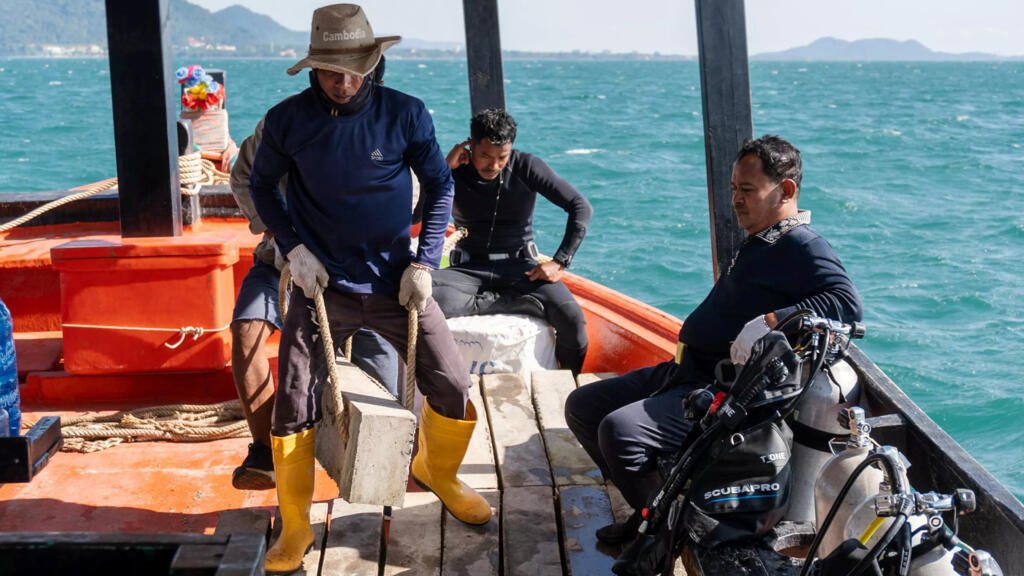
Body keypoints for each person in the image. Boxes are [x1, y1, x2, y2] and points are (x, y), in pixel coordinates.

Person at [248, 4, 489, 573]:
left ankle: (438, 470)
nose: (346, 81)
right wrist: (293, 249)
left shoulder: (406, 114)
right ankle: (298, 525)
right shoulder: (287, 121)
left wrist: (425, 262)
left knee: (452, 380)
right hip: (320, 284)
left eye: (356, 68)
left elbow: (438, 185)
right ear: (314, 68)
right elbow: (261, 186)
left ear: (373, 62)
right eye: (333, 70)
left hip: (393, 279)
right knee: (293, 399)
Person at [564, 135, 863, 544]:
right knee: (584, 405)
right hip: (682, 373)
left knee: (622, 431)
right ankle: (652, 512)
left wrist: (774, 320)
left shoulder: (801, 244)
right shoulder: (763, 238)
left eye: (748, 190)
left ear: (786, 190)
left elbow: (846, 303)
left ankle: (662, 537)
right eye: (733, 189)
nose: (736, 201)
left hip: (719, 391)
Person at [227, 109, 400, 491]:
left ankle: (379, 473)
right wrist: (279, 234)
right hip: (281, 263)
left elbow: (414, 189)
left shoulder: (392, 127)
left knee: (383, 400)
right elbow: (243, 176)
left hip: (360, 275)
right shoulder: (280, 125)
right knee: (245, 332)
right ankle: (266, 452)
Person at [432, 109, 593, 374]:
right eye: (485, 156)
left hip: (522, 270)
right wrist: (441, 172)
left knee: (573, 319)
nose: (493, 166)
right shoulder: (453, 170)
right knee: (415, 299)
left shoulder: (527, 166)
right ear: (470, 146)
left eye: (502, 158)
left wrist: (560, 261)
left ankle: (567, 390)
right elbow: (417, 213)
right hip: (468, 271)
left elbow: (580, 206)